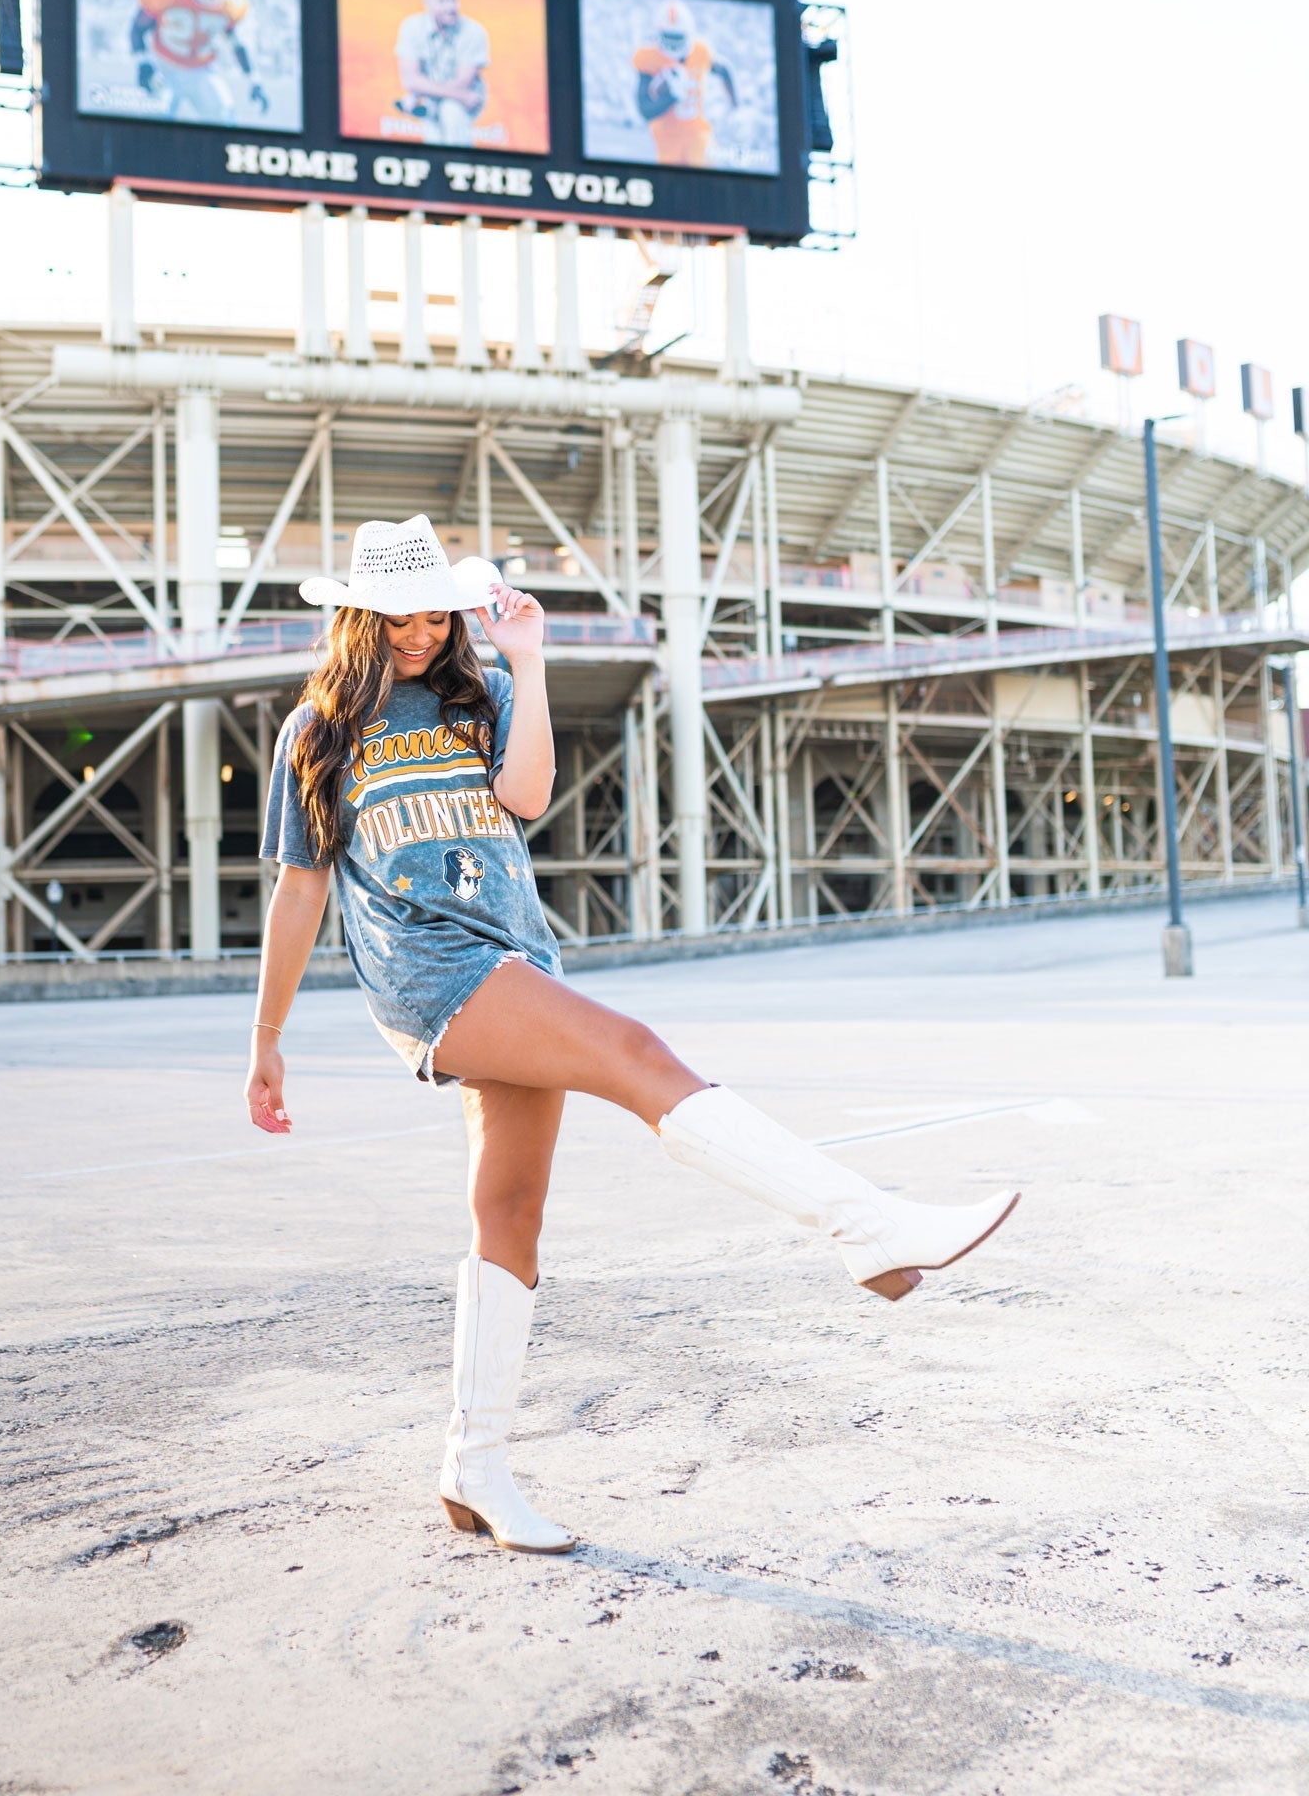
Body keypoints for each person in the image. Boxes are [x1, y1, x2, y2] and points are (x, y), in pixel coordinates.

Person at [246, 515, 1020, 1557]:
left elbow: (525, 797)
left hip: (517, 957)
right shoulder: (320, 731)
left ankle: (472, 1467)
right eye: (400, 617)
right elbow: (300, 891)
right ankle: (863, 1224)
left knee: (510, 1211)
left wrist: (526, 657)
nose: (423, 632)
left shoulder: (482, 695)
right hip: (430, 972)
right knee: (640, 1055)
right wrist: (268, 1036)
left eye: (437, 612)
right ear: (356, 617)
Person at [130, 0, 268, 124]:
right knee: (155, 119)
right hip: (165, 66)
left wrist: (254, 79)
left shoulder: (228, 2)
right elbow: (137, 29)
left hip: (202, 70)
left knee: (225, 116)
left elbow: (236, 43)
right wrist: (143, 63)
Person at [633, 0, 735, 167]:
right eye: (668, 37)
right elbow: (645, 109)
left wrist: (734, 105)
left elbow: (724, 70)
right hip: (666, 139)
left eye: (677, 37)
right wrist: (672, 97)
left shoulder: (700, 51)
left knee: (705, 167)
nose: (673, 44)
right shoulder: (648, 58)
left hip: (696, 131)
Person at [393, 0, 489, 145]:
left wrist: (419, 94)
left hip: (460, 103)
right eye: (442, 1)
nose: (450, 7)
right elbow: (410, 80)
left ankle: (461, 166)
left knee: (451, 110)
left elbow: (463, 82)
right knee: (433, 138)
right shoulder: (411, 27)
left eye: (453, 0)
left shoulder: (474, 31)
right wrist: (460, 96)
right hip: (442, 99)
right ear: (427, 2)